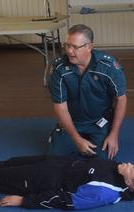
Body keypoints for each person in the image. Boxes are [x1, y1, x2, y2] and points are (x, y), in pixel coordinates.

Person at [48, 24, 127, 160]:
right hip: (73, 122)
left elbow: (121, 99)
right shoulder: (59, 68)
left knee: (103, 159)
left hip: (99, 121)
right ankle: (61, 133)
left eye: (75, 47)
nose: (70, 51)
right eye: (67, 46)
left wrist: (114, 135)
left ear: (89, 47)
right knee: (54, 158)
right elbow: (60, 107)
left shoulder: (108, 67)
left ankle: (99, 134)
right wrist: (77, 140)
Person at [0, 155, 134, 210]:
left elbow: (65, 200)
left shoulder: (103, 192)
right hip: (58, 163)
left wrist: (24, 201)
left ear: (129, 181)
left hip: (46, 179)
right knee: (11, 162)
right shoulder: (119, 167)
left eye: (132, 168)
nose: (129, 164)